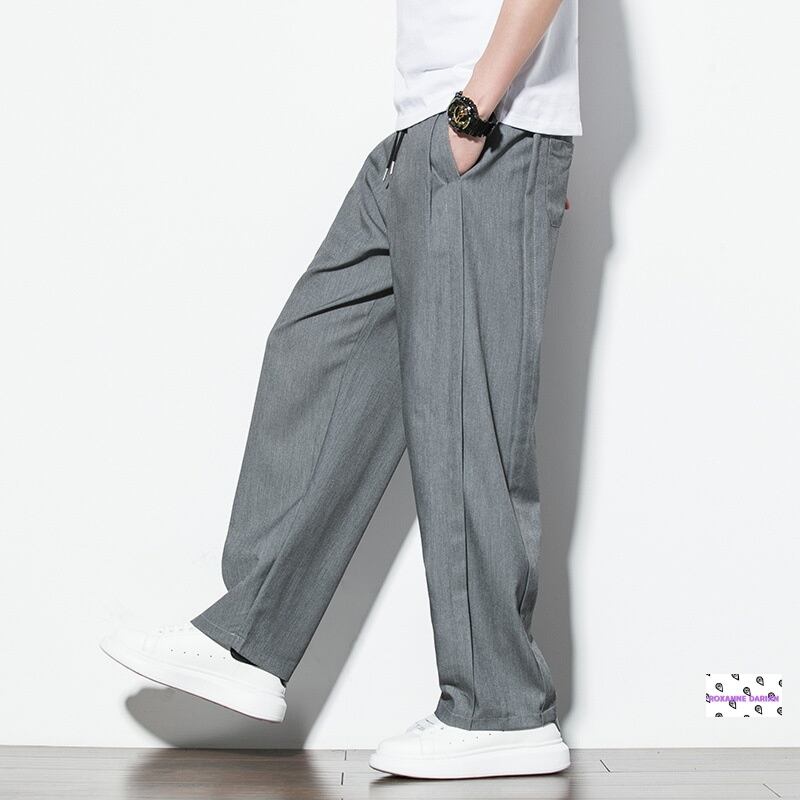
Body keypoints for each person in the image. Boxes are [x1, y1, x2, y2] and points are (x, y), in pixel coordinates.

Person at [101, 0, 581, 780]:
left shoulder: (477, 119)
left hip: (483, 124)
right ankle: (249, 637)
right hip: (433, 131)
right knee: (319, 348)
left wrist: (478, 113)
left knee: (462, 418)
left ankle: (501, 708)